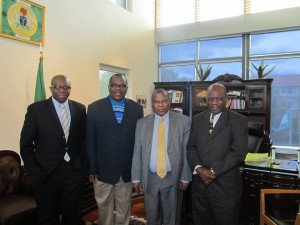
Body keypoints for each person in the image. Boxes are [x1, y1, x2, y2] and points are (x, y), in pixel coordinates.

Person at [20, 75, 87, 225]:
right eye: (58, 87)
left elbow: (83, 139)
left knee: (73, 216)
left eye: (66, 87)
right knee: (48, 217)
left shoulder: (80, 109)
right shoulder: (36, 109)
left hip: (74, 175)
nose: (62, 90)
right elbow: (25, 143)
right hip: (46, 174)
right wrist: (33, 169)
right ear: (51, 88)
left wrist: (83, 167)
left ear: (70, 89)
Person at [187, 83, 248, 225]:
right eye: (210, 99)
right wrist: (198, 169)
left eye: (219, 99)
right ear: (206, 99)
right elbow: (191, 147)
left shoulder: (239, 121)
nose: (214, 102)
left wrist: (212, 172)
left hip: (225, 189)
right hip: (200, 188)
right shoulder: (197, 119)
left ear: (226, 99)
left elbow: (238, 153)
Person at [86, 73, 143, 225]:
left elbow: (139, 142)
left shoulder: (137, 109)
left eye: (122, 85)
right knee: (104, 208)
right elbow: (90, 141)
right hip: (102, 171)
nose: (118, 88)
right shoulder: (94, 108)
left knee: (124, 209)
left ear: (126, 88)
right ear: (109, 86)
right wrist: (92, 169)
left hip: (126, 170)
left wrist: (137, 170)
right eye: (114, 85)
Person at [131, 88, 192, 225]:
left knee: (172, 218)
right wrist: (136, 177)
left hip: (173, 177)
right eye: (157, 102)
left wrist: (185, 176)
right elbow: (137, 151)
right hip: (150, 178)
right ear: (152, 104)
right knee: (152, 218)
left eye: (164, 101)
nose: (160, 105)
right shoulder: (141, 123)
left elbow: (186, 151)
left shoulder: (183, 122)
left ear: (169, 102)